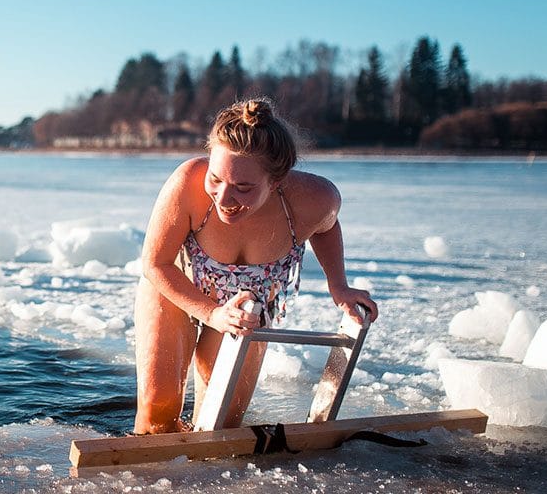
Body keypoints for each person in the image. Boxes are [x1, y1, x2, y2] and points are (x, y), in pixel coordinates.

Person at [133, 97, 377, 434]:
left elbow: (326, 226)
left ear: (276, 181)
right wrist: (211, 313)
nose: (223, 198)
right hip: (177, 288)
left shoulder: (315, 198)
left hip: (248, 308)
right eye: (216, 179)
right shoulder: (187, 182)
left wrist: (339, 285)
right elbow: (156, 264)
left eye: (243, 187)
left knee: (221, 425)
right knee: (157, 413)